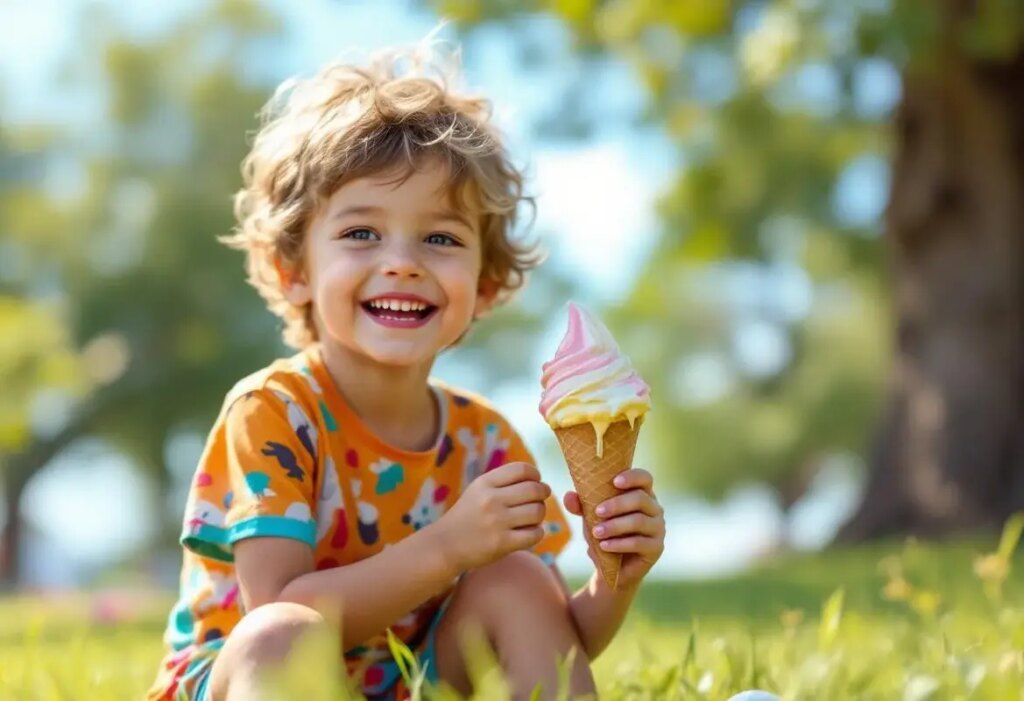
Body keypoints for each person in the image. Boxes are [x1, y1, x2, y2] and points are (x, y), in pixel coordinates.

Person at [147, 36, 666, 701]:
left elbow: (546, 639)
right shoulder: (274, 412)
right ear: (294, 270)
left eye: (441, 238)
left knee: (518, 579)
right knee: (280, 633)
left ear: (484, 284)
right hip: (251, 679)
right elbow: (278, 606)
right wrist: (447, 547)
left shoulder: (488, 444)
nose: (402, 262)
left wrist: (615, 578)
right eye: (361, 232)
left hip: (407, 684)